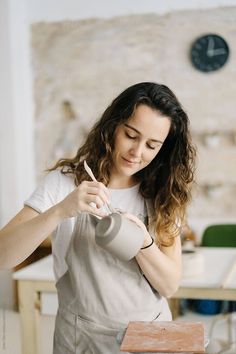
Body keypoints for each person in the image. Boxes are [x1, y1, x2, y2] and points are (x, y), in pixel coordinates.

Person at [0, 82, 196, 353]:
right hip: (84, 338)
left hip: (151, 333)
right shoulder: (65, 183)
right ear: (114, 126)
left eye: (152, 145)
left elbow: (169, 285)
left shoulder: (164, 193)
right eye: (130, 135)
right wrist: (61, 211)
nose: (137, 153)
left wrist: (143, 244)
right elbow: (3, 256)